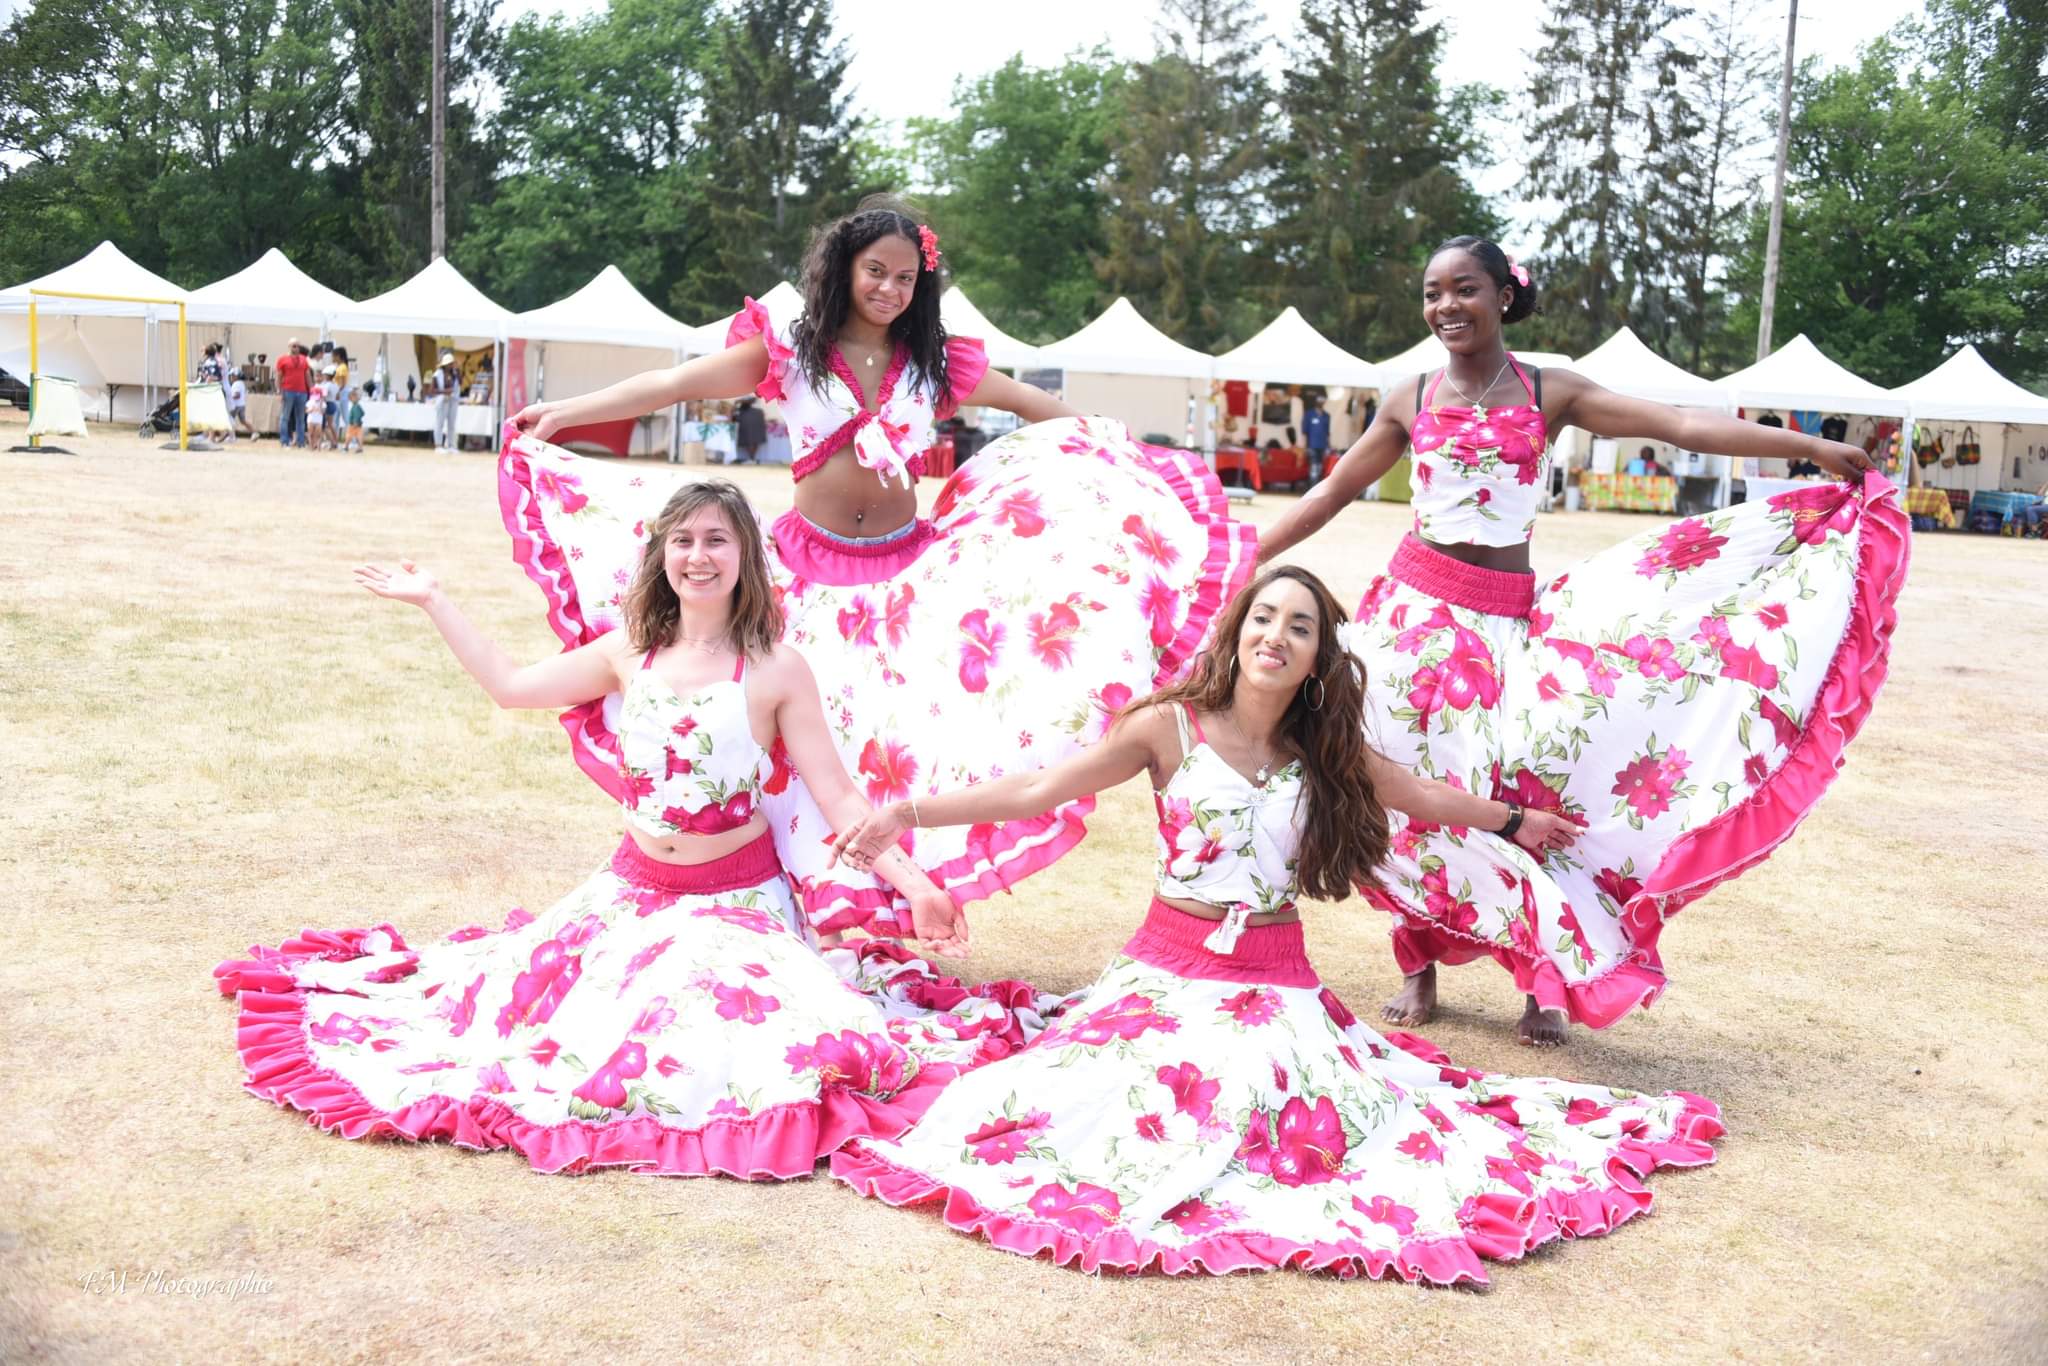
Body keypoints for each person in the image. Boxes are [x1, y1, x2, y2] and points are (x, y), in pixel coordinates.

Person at [825, 567, 1722, 1282]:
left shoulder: (1321, 749)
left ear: (1317, 657)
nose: (1276, 636)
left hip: (1274, 980)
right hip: (1166, 970)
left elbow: (1417, 794)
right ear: (1238, 629)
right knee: (1109, 1111)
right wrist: (909, 814)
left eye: (1300, 627)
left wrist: (1513, 823)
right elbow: (1035, 788)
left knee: (1284, 1106)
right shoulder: (1167, 728)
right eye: (1264, 618)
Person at [213, 480, 1044, 1179]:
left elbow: (840, 800)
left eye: (717, 541)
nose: (698, 557)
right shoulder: (626, 654)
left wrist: (919, 885)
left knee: (723, 1042)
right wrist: (436, 600)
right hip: (629, 892)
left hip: (733, 904)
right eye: (682, 541)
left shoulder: (776, 668)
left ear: (746, 558)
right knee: (528, 1026)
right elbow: (510, 687)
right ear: (662, 557)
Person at [501, 197, 1259, 940]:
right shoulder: (791, 354)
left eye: (905, 279)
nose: (890, 290)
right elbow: (673, 384)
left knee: (902, 747)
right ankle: (787, 900)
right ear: (842, 268)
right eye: (876, 272)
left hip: (910, 580)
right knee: (801, 752)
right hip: (806, 574)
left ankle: (888, 898)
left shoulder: (935, 365)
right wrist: (567, 412)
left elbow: (1037, 406)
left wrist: (1117, 455)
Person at [1256, 235, 1908, 1047]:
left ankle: (1546, 974)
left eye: (1464, 289)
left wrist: (1806, 447)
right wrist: (1250, 556)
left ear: (1503, 295)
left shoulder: (1548, 389)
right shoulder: (1409, 396)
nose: (1445, 307)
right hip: (1411, 622)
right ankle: (1416, 960)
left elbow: (1676, 423)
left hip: (1505, 625)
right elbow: (1330, 492)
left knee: (1528, 784)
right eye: (1431, 293)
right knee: (1402, 786)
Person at [275, 340, 310, 448]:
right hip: (288, 390)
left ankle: (300, 442)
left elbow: (307, 375)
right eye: (294, 346)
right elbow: (278, 376)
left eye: (298, 346)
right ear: (289, 346)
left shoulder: (304, 360)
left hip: (302, 391)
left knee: (301, 418)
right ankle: (284, 441)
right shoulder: (282, 359)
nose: (296, 348)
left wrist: (312, 389)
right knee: (285, 417)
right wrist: (279, 391)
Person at [427, 351, 461, 454]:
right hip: (442, 401)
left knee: (451, 424)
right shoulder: (437, 374)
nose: (451, 365)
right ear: (445, 364)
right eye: (450, 364)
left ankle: (451, 445)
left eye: (452, 363)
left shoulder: (454, 374)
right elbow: (431, 390)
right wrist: (444, 392)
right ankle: (438, 445)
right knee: (439, 423)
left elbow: (460, 384)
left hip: (453, 401)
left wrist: (458, 372)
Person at [1302, 394, 1332, 482]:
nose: (1321, 402)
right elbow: (1304, 431)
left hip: (1323, 445)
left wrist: (1329, 446)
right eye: (1319, 400)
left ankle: (1317, 484)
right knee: (1313, 466)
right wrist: (1305, 446)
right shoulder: (1309, 414)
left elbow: (1327, 432)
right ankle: (1312, 485)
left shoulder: (1327, 415)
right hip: (1312, 445)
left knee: (1320, 466)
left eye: (1322, 400)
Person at [733, 398, 766, 464]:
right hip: (756, 430)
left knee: (750, 444)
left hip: (749, 431)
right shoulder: (758, 411)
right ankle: (752, 458)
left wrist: (736, 403)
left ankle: (752, 458)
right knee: (753, 443)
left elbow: (734, 418)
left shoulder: (741, 411)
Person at [225, 367, 250, 440]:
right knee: (243, 421)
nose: (231, 377)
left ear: (236, 376)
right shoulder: (241, 383)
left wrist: (229, 398)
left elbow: (237, 395)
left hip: (236, 405)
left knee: (229, 420)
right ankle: (254, 432)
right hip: (242, 405)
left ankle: (231, 436)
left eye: (232, 375)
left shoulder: (236, 384)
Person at [345, 386, 365, 452]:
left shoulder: (355, 407)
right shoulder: (357, 406)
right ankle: (360, 447)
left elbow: (357, 415)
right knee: (359, 436)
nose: (350, 399)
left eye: (351, 398)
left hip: (353, 424)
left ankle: (346, 447)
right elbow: (362, 413)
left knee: (349, 435)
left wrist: (355, 422)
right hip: (359, 424)